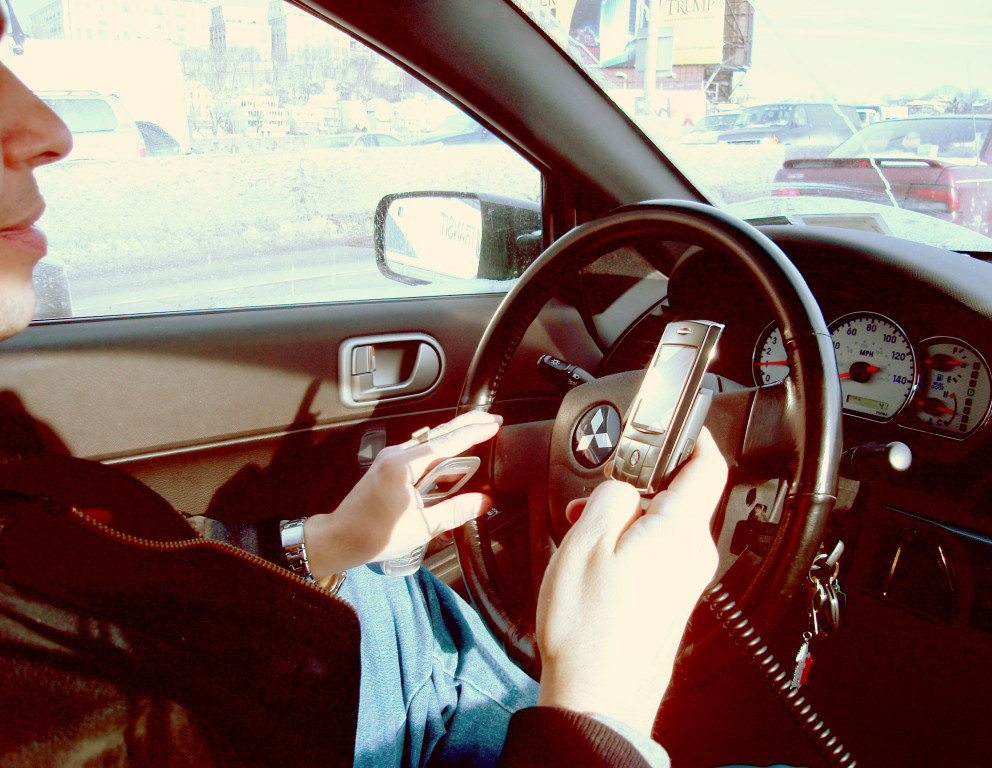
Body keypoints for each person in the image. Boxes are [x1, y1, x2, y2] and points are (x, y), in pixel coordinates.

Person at [0, 17, 729, 766]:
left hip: (333, 672)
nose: (49, 128)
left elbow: (86, 580)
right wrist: (597, 708)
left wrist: (320, 544)